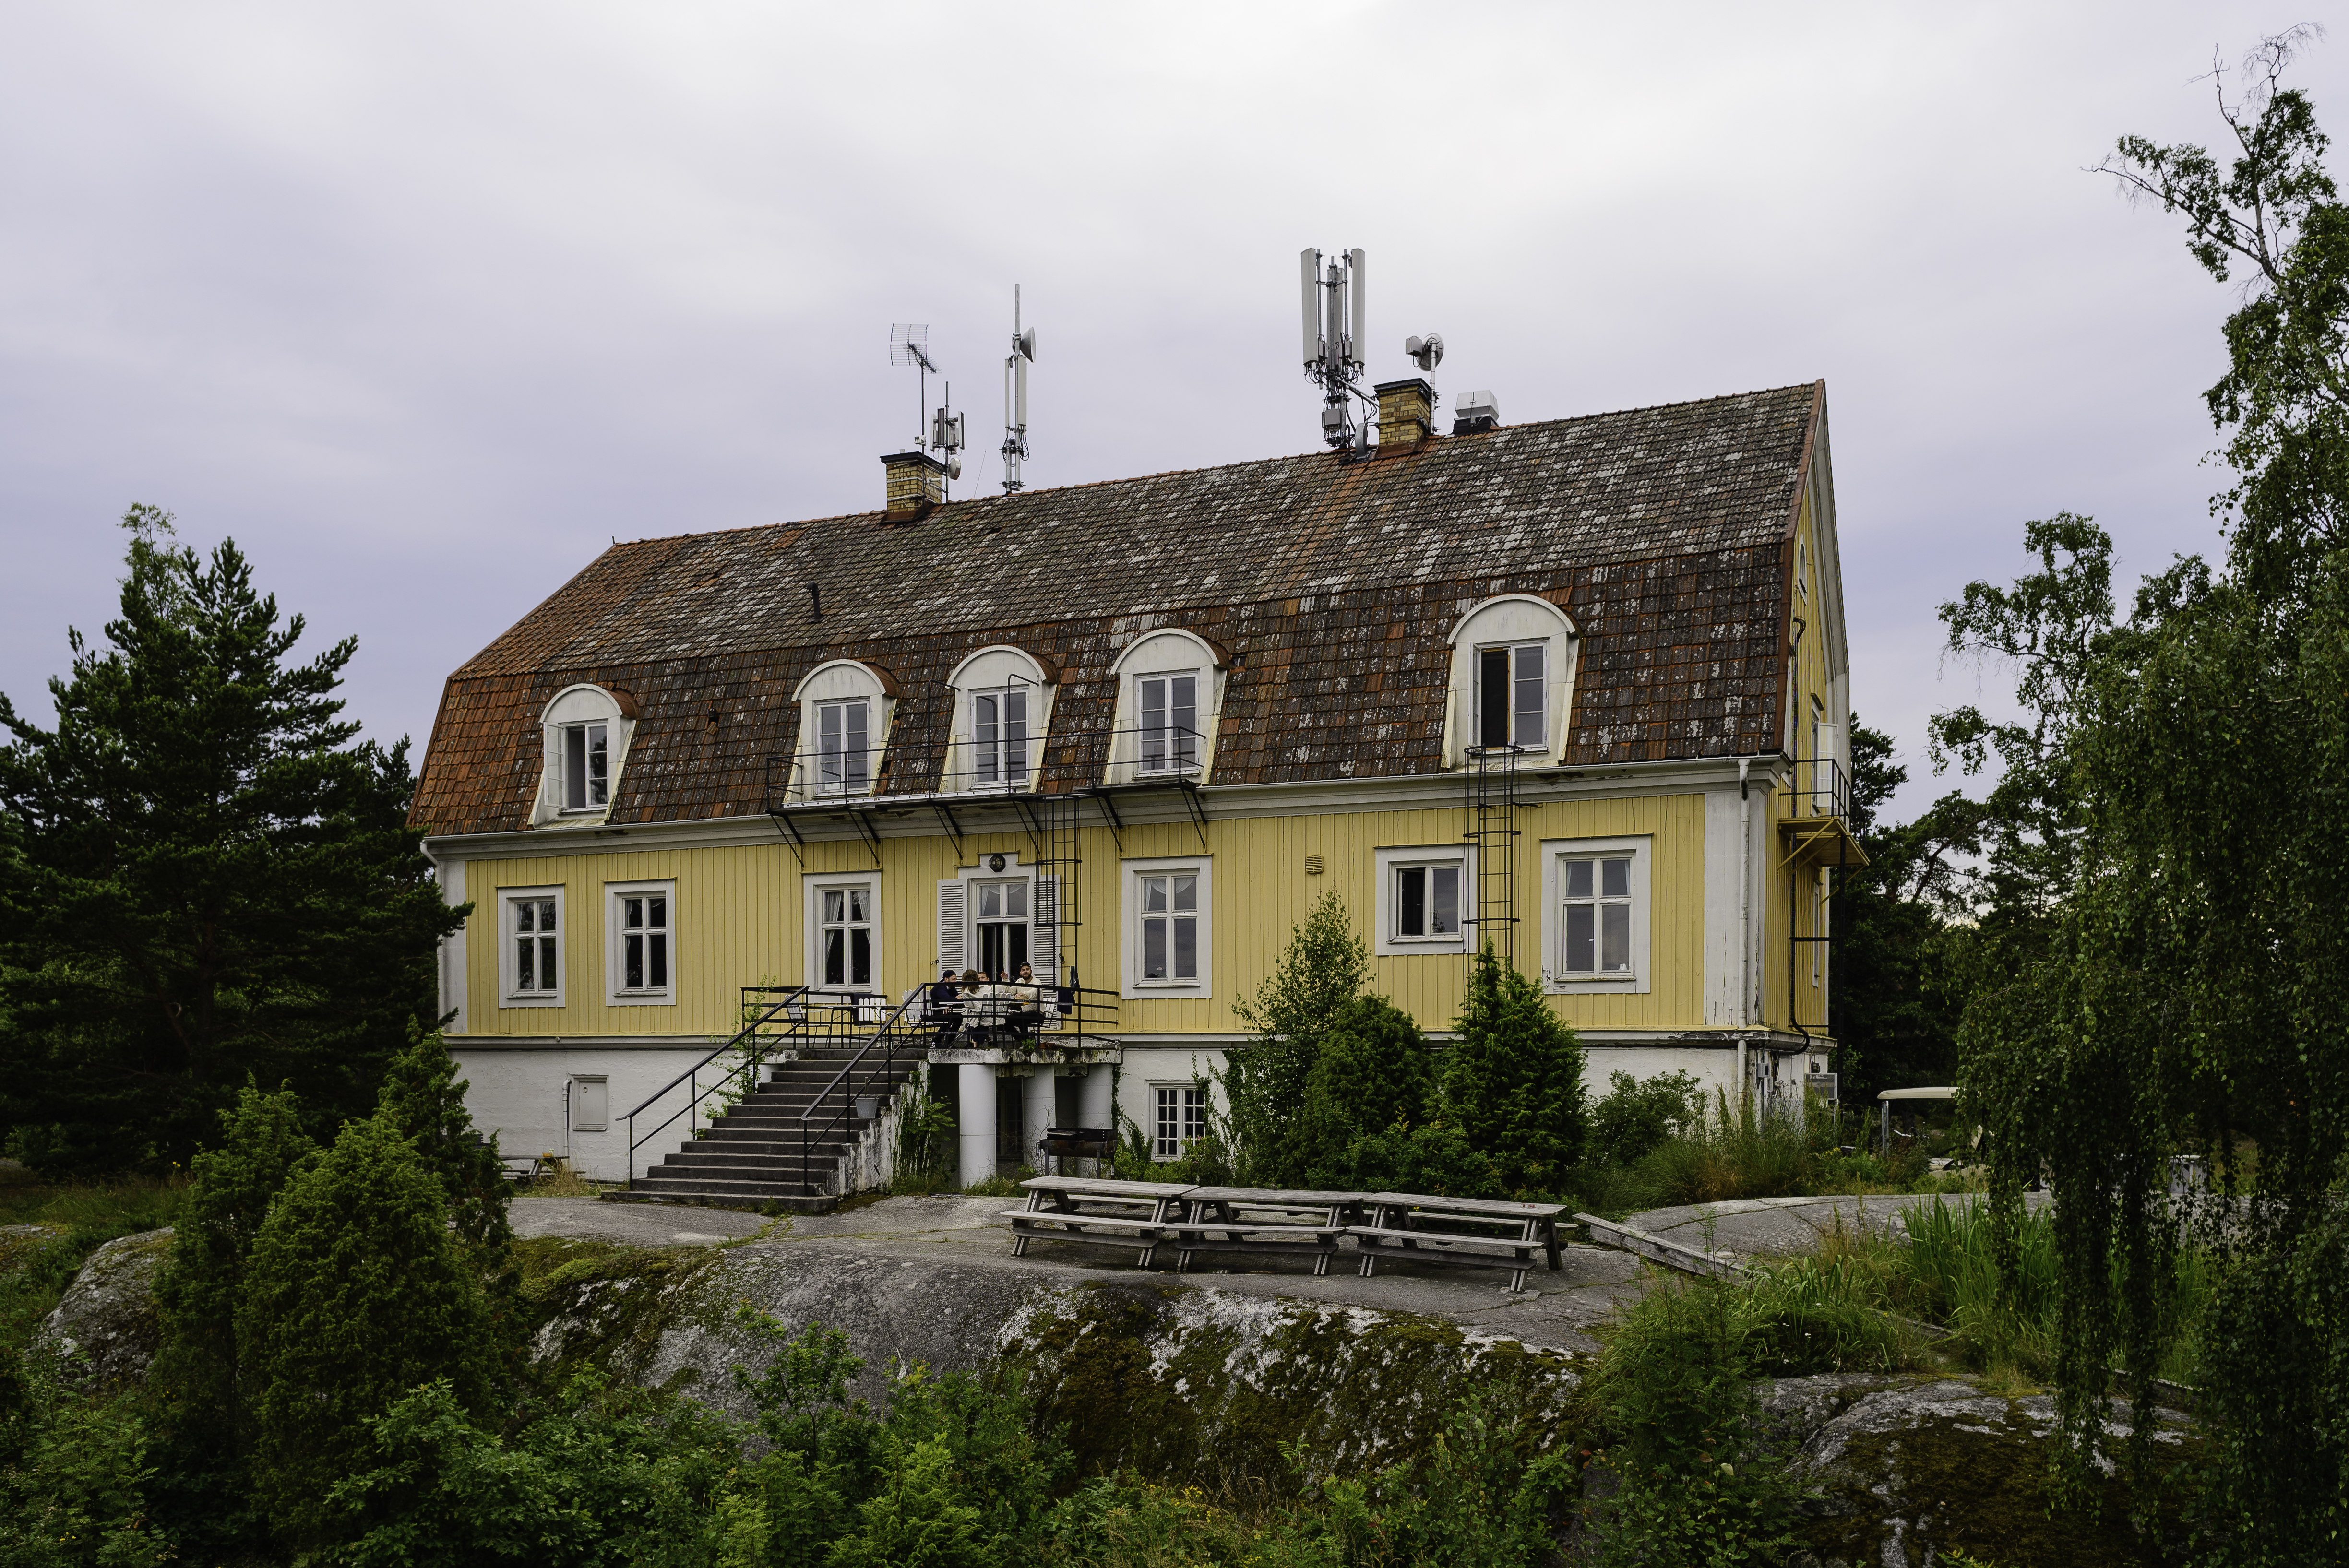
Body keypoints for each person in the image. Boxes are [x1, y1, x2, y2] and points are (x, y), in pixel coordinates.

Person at [928, 966, 964, 1040]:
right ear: (946, 979)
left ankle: (948, 1042)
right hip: (934, 1013)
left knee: (959, 1017)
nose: (956, 981)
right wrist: (953, 1001)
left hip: (942, 1011)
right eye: (954, 979)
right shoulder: (941, 987)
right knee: (950, 1018)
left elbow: (957, 999)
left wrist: (952, 1002)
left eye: (956, 979)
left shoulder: (951, 987)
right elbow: (948, 999)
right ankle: (936, 1041)